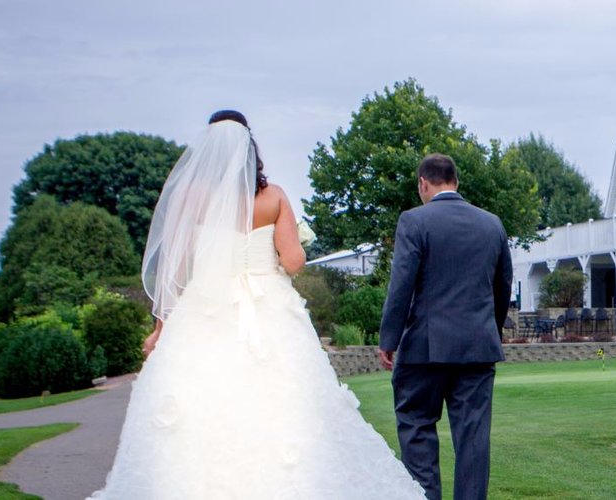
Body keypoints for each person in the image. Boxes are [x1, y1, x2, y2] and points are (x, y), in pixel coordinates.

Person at [92, 111, 425, 499]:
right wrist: (290, 237)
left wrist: (161, 328)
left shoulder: (191, 198)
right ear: (251, 150)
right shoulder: (273, 197)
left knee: (205, 404)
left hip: (204, 308)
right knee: (281, 403)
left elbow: (174, 268)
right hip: (269, 309)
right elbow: (294, 262)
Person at [381, 153, 513, 500]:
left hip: (425, 347)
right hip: (477, 347)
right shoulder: (492, 224)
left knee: (416, 425)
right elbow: (502, 287)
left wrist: (389, 338)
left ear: (423, 183)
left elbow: (401, 285)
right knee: (473, 438)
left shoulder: (414, 221)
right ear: (455, 181)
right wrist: (490, 331)